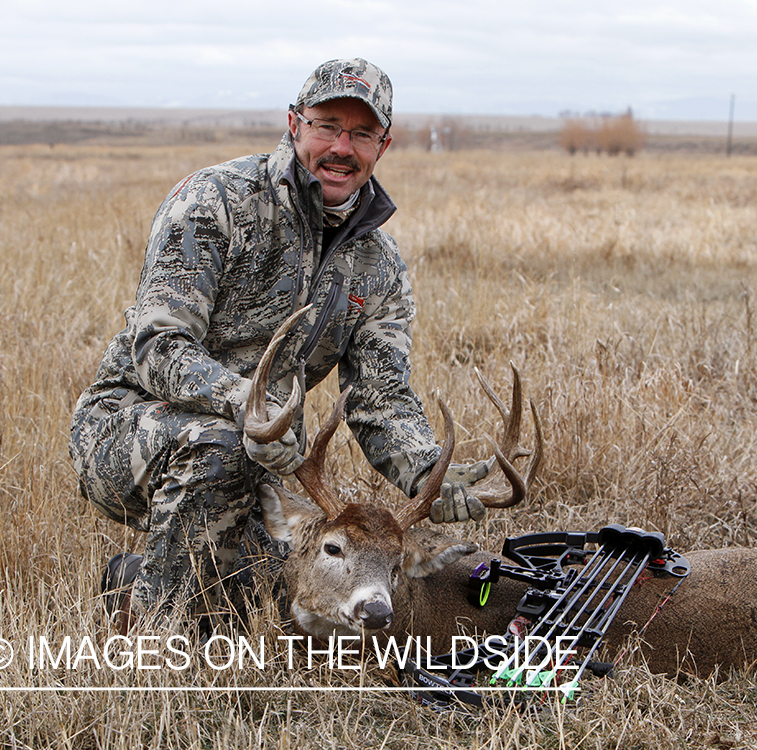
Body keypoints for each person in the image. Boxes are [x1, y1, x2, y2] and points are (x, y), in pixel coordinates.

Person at [69, 58, 489, 631]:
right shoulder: (216, 201)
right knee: (221, 446)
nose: (342, 146)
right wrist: (247, 402)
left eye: (361, 133)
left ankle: (135, 576)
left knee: (290, 580)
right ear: (294, 125)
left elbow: (381, 399)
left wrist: (426, 472)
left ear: (382, 146)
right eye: (326, 126)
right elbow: (159, 346)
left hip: (258, 454)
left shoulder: (379, 266)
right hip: (129, 427)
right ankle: (155, 631)